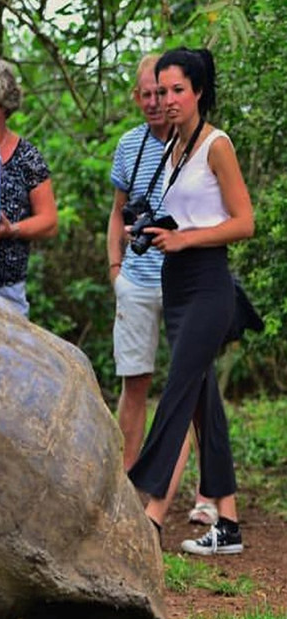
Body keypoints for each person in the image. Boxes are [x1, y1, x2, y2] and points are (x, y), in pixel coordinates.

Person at [127, 48, 254, 555]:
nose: (168, 100)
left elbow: (244, 222)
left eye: (178, 90)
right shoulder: (172, 148)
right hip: (175, 283)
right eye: (161, 91)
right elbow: (189, 211)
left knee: (178, 389)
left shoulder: (215, 144)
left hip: (207, 284)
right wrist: (161, 230)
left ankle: (149, 513)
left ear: (198, 91)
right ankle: (228, 524)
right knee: (203, 402)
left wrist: (185, 240)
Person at [107, 54, 216, 527]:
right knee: (135, 384)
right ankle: (124, 484)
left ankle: (203, 494)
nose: (157, 101)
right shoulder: (130, 146)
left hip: (184, 283)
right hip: (136, 280)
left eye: (165, 91)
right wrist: (115, 267)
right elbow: (118, 211)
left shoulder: (196, 142)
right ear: (137, 97)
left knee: (190, 390)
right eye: (148, 93)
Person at [0, 60, 58, 316]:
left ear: (3, 103)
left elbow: (49, 221)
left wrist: (12, 230)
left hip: (6, 289)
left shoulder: (26, 157)